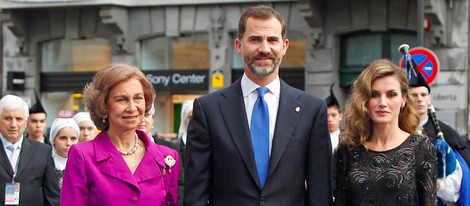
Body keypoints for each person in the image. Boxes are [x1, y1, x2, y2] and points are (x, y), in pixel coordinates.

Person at [184, 5, 332, 205]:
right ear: (238, 45)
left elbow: (320, 192)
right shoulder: (209, 110)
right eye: (255, 39)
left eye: (272, 40)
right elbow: (196, 193)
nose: (264, 48)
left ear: (285, 46)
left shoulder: (312, 110)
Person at [61, 63, 180, 206]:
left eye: (138, 98)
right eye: (121, 99)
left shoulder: (167, 158)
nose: (132, 107)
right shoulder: (82, 156)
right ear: (103, 106)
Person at [335, 59, 437, 205]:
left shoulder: (421, 148)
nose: (382, 103)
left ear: (403, 100)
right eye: (374, 94)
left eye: (391, 94)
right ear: (364, 100)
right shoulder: (348, 148)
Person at [408, 65, 470, 205]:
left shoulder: (445, 132)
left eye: (423, 95)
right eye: (414, 95)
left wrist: (438, 185)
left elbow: (459, 180)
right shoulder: (398, 129)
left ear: (429, 99)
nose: (419, 99)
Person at [0, 94, 60, 205]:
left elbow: (52, 196)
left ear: (26, 122)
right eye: (8, 118)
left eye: (18, 119)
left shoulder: (43, 151)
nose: (13, 124)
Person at [137, 101, 184, 206]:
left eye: (147, 114)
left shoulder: (171, 149)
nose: (142, 120)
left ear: (153, 119)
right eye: (138, 115)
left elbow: (179, 186)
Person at [48, 118, 80, 189]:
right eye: (63, 138)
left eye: (73, 138)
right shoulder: (45, 163)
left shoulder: (82, 164)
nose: (68, 143)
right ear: (53, 139)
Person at [325, 82, 342, 153]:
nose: (330, 119)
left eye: (333, 115)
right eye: (326, 115)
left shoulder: (348, 139)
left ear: (340, 115)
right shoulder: (317, 139)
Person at [176, 99, 193, 163]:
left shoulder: (206, 143)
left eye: (196, 117)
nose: (193, 120)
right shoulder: (175, 145)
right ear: (184, 119)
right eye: (190, 117)